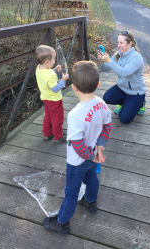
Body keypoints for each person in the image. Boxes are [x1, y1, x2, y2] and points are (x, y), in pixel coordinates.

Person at [43, 60, 112, 235]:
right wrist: (99, 148)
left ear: (74, 87)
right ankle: (91, 201)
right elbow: (107, 127)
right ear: (98, 84)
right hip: (92, 157)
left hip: (78, 161)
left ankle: (62, 222)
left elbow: (78, 145)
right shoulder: (102, 104)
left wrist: (91, 155)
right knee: (92, 179)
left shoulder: (74, 115)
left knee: (71, 192)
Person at [98, 31, 146, 124]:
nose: (118, 45)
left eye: (121, 43)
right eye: (118, 42)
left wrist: (109, 60)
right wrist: (102, 62)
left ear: (130, 43)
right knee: (107, 98)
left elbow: (124, 73)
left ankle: (141, 103)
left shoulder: (136, 58)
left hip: (135, 92)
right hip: (122, 88)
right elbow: (106, 69)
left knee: (124, 119)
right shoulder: (118, 54)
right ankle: (124, 102)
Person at [35, 45, 69, 143]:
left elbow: (46, 76)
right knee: (57, 119)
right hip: (54, 100)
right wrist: (63, 80)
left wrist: (54, 69)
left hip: (45, 98)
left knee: (48, 116)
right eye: (53, 59)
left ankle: (47, 134)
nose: (55, 61)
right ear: (47, 62)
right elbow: (55, 88)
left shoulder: (39, 68)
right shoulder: (50, 75)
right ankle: (58, 137)